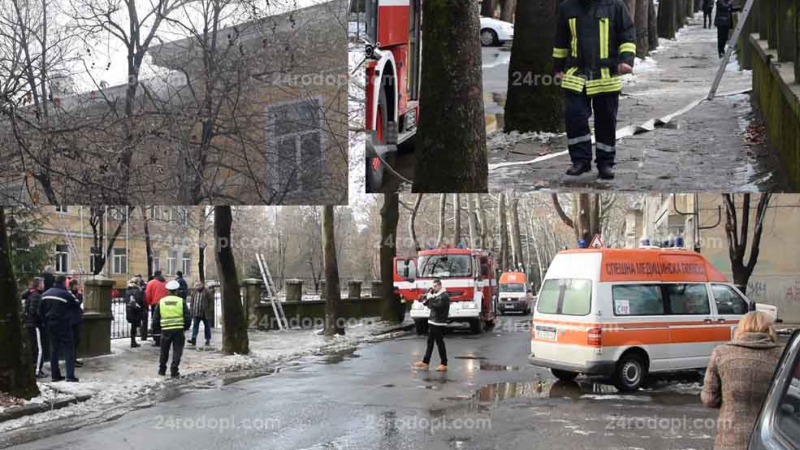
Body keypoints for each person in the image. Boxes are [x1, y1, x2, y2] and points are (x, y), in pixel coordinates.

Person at [552, 0, 636, 180]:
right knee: (575, 117)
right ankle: (580, 161)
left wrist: (626, 60)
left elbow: (627, 36)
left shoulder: (616, 6)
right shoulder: (568, 6)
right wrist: (558, 68)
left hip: (606, 75)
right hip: (576, 74)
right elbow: (560, 40)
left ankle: (605, 163)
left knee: (606, 121)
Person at [701, 311, 783, 450]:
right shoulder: (781, 355)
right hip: (770, 439)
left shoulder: (721, 352)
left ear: (740, 328)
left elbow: (709, 400)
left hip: (730, 438)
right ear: (770, 329)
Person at [39, 275, 80, 382]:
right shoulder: (66, 294)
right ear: (63, 283)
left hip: (50, 325)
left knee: (54, 349)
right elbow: (76, 305)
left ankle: (55, 375)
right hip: (64, 324)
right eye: (66, 282)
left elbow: (40, 311)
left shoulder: (45, 294)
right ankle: (70, 375)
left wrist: (46, 322)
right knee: (68, 349)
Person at [153, 280, 190, 378]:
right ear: (177, 291)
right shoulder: (181, 301)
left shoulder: (161, 302)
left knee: (164, 350)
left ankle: (162, 369)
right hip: (178, 330)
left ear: (168, 291)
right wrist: (186, 327)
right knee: (177, 350)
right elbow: (187, 316)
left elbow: (156, 318)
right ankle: (174, 370)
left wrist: (156, 330)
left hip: (165, 330)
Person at [413, 278, 450, 372]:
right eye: (433, 286)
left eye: (435, 286)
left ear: (440, 285)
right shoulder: (437, 295)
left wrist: (429, 298)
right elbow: (430, 305)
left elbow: (437, 307)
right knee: (430, 342)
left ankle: (444, 363)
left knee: (439, 343)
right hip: (432, 321)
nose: (434, 288)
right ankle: (425, 362)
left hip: (439, 322)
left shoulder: (444, 296)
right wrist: (425, 299)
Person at [23, 277, 47, 378]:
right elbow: (34, 311)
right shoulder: (37, 296)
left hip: (30, 324)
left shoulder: (30, 294)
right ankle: (37, 371)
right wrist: (42, 320)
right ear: (39, 285)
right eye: (42, 283)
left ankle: (34, 369)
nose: (44, 285)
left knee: (34, 348)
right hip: (35, 325)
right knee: (39, 349)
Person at [145, 271, 169, 346]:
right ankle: (165, 337)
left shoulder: (151, 283)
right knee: (164, 321)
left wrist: (149, 303)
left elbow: (148, 295)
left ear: (154, 276)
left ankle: (157, 340)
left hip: (155, 304)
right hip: (166, 304)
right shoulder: (166, 283)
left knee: (156, 322)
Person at [189, 281, 213, 347]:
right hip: (196, 312)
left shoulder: (207, 292)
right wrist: (191, 310)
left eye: (199, 285)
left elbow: (211, 301)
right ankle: (193, 339)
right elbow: (192, 302)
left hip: (205, 313)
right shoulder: (194, 292)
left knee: (207, 327)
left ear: (202, 285)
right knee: (195, 326)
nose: (197, 286)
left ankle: (207, 339)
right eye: (196, 285)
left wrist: (210, 310)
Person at [67, 279, 84, 368]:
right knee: (73, 341)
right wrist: (80, 294)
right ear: (73, 285)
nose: (78, 286)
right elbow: (77, 302)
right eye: (77, 285)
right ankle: (71, 360)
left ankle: (74, 359)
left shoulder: (75, 293)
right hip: (72, 320)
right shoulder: (70, 293)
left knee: (76, 341)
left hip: (76, 319)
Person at [125, 278, 146, 348]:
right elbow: (142, 301)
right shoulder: (139, 291)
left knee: (133, 326)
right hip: (136, 311)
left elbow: (126, 301)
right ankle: (133, 342)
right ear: (137, 283)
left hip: (129, 311)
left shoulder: (127, 290)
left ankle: (133, 341)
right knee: (134, 326)